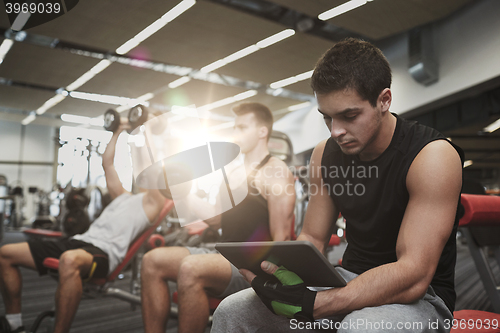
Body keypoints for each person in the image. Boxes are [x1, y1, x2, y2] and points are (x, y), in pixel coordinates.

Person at [211, 38, 464, 333]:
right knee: (233, 312)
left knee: (358, 328)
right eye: (327, 118)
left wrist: (320, 304)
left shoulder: (431, 156)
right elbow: (313, 238)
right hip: (346, 276)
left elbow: (414, 275)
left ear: (384, 100)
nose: (336, 131)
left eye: (349, 116)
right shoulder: (325, 153)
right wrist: (277, 272)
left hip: (423, 297)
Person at [140, 102, 296, 333]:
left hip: (250, 263)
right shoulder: (234, 172)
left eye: (242, 127)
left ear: (262, 132)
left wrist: (269, 285)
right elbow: (216, 219)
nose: (235, 134)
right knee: (152, 261)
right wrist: (183, 192)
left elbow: (281, 237)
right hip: (223, 255)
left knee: (191, 267)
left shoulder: (276, 171)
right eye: (235, 128)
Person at [0, 120, 166, 333]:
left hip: (102, 253)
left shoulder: (153, 204)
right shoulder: (122, 196)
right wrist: (117, 131)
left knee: (69, 260)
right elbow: (107, 163)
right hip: (78, 242)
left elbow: (156, 168)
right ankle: (15, 325)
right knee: (5, 253)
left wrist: (148, 128)